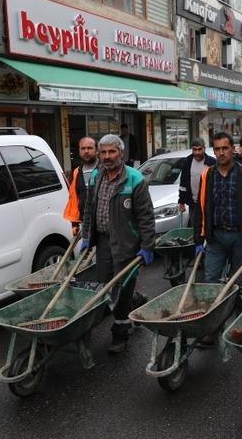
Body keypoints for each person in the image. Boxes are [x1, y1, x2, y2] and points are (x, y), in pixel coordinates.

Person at [80, 134, 155, 353]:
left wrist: (147, 246)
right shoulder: (96, 177)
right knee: (104, 284)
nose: (107, 156)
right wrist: (87, 236)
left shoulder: (135, 179)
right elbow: (88, 209)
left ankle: (120, 334)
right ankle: (136, 300)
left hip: (126, 243)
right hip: (103, 241)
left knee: (121, 287)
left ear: (121, 153)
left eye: (112, 152)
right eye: (103, 152)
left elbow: (145, 216)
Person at [192, 132, 242, 283]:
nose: (221, 152)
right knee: (210, 278)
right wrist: (198, 240)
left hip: (240, 237)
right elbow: (200, 208)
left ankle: (235, 306)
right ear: (213, 151)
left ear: (233, 149)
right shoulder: (207, 175)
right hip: (215, 237)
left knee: (238, 281)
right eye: (217, 149)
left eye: (225, 148)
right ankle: (216, 307)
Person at [64, 137, 100, 235]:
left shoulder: (105, 169)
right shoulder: (76, 172)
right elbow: (74, 198)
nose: (86, 151)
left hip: (105, 223)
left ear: (97, 150)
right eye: (83, 148)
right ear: (79, 151)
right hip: (86, 224)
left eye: (90, 148)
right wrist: (74, 223)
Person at [177, 138, 216, 224]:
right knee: (195, 230)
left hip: (209, 204)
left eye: (199, 149)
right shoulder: (188, 161)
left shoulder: (211, 162)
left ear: (204, 148)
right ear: (192, 149)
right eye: (195, 149)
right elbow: (183, 183)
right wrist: (181, 201)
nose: (197, 152)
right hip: (193, 204)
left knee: (209, 228)